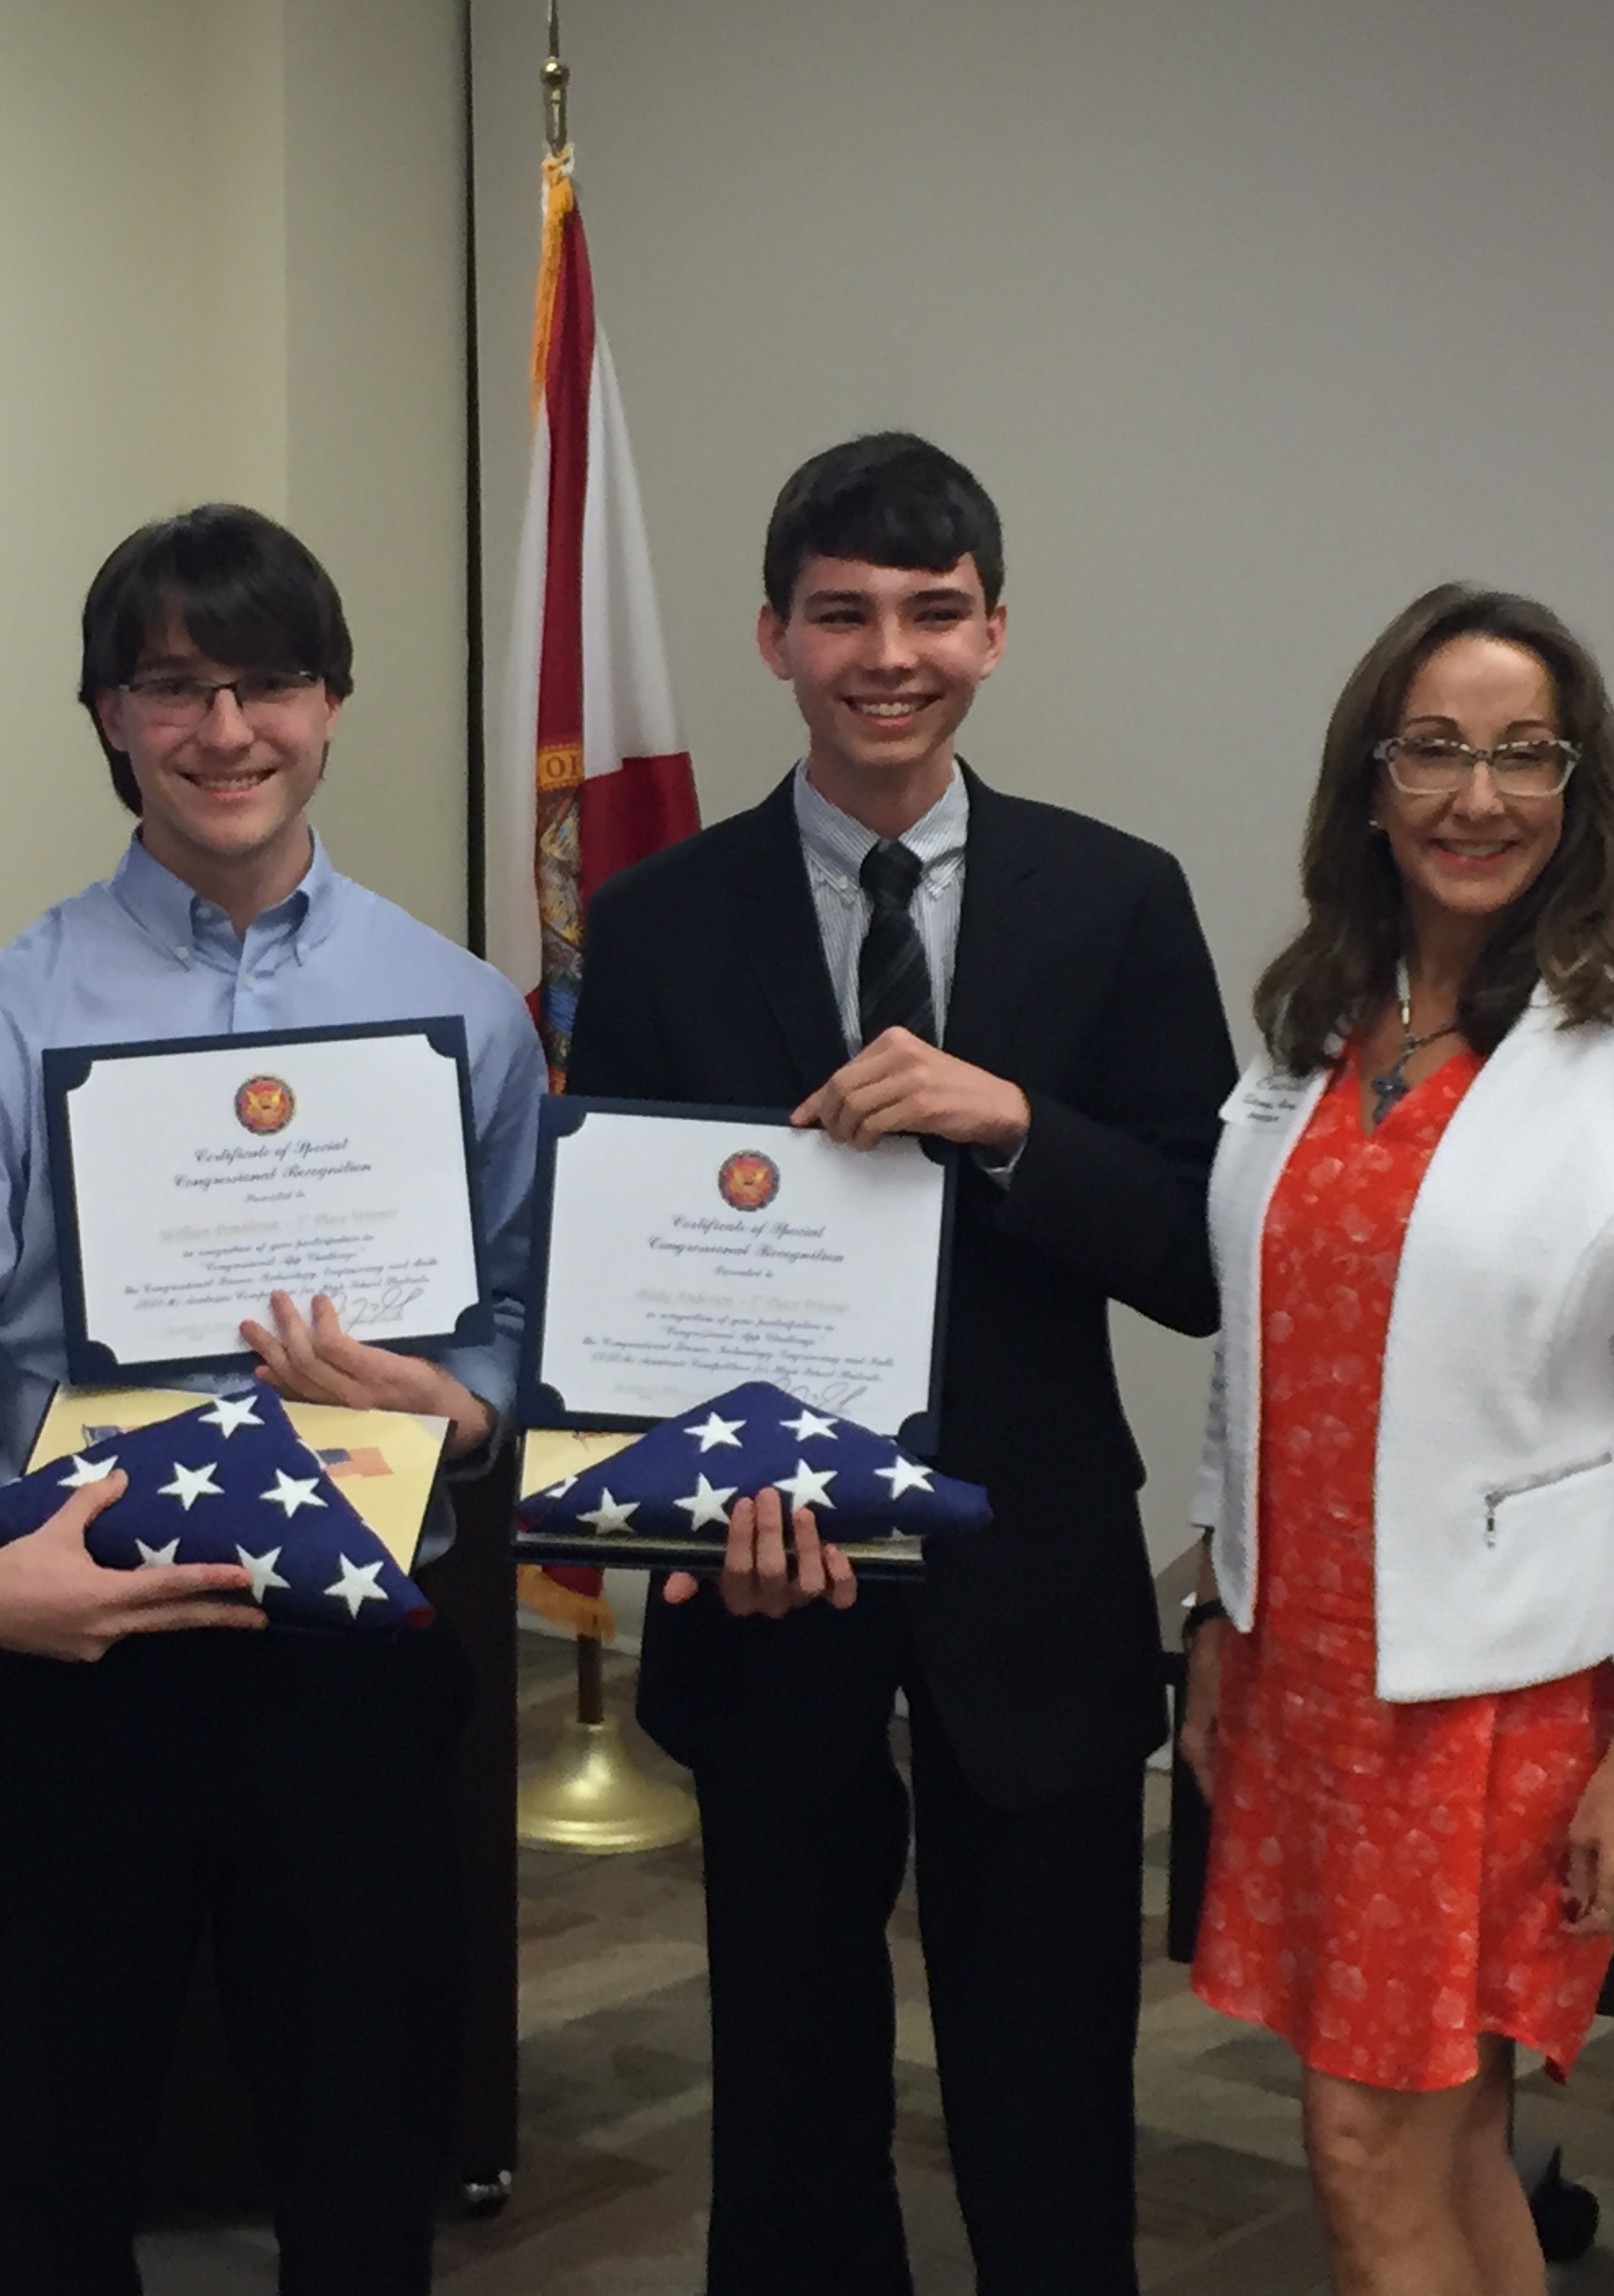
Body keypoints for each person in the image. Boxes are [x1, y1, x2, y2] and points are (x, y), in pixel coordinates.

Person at [0, 504, 544, 2296]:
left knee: (368, 2171)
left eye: (269, 682)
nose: (229, 730)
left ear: (334, 701)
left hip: (352, 1664)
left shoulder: (463, 1014)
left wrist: (458, 1406)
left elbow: (527, 1316)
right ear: (109, 716)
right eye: (176, 686)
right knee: (50, 2178)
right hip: (79, 1667)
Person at [566, 432, 1237, 2295]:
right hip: (762, 1571)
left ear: (997, 635)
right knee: (786, 2075)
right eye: (843, 613)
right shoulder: (652, 921)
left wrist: (1014, 1120)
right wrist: (692, 1514)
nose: (890, 653)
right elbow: (630, 1266)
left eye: (933, 613)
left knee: (1048, 2079)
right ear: (773, 636)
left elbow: (1201, 1254)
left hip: (1034, 1580)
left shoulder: (1117, 900)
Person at [1175, 584, 1614, 2296]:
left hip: (1488, 1698)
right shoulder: (1319, 1018)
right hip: (1309, 1666)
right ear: (1371, 784)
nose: (1477, 796)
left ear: (1578, 794)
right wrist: (1225, 1607)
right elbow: (1262, 1349)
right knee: (1440, 2131)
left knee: (1367, 2139)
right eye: (1435, 750)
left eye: (1526, 756)